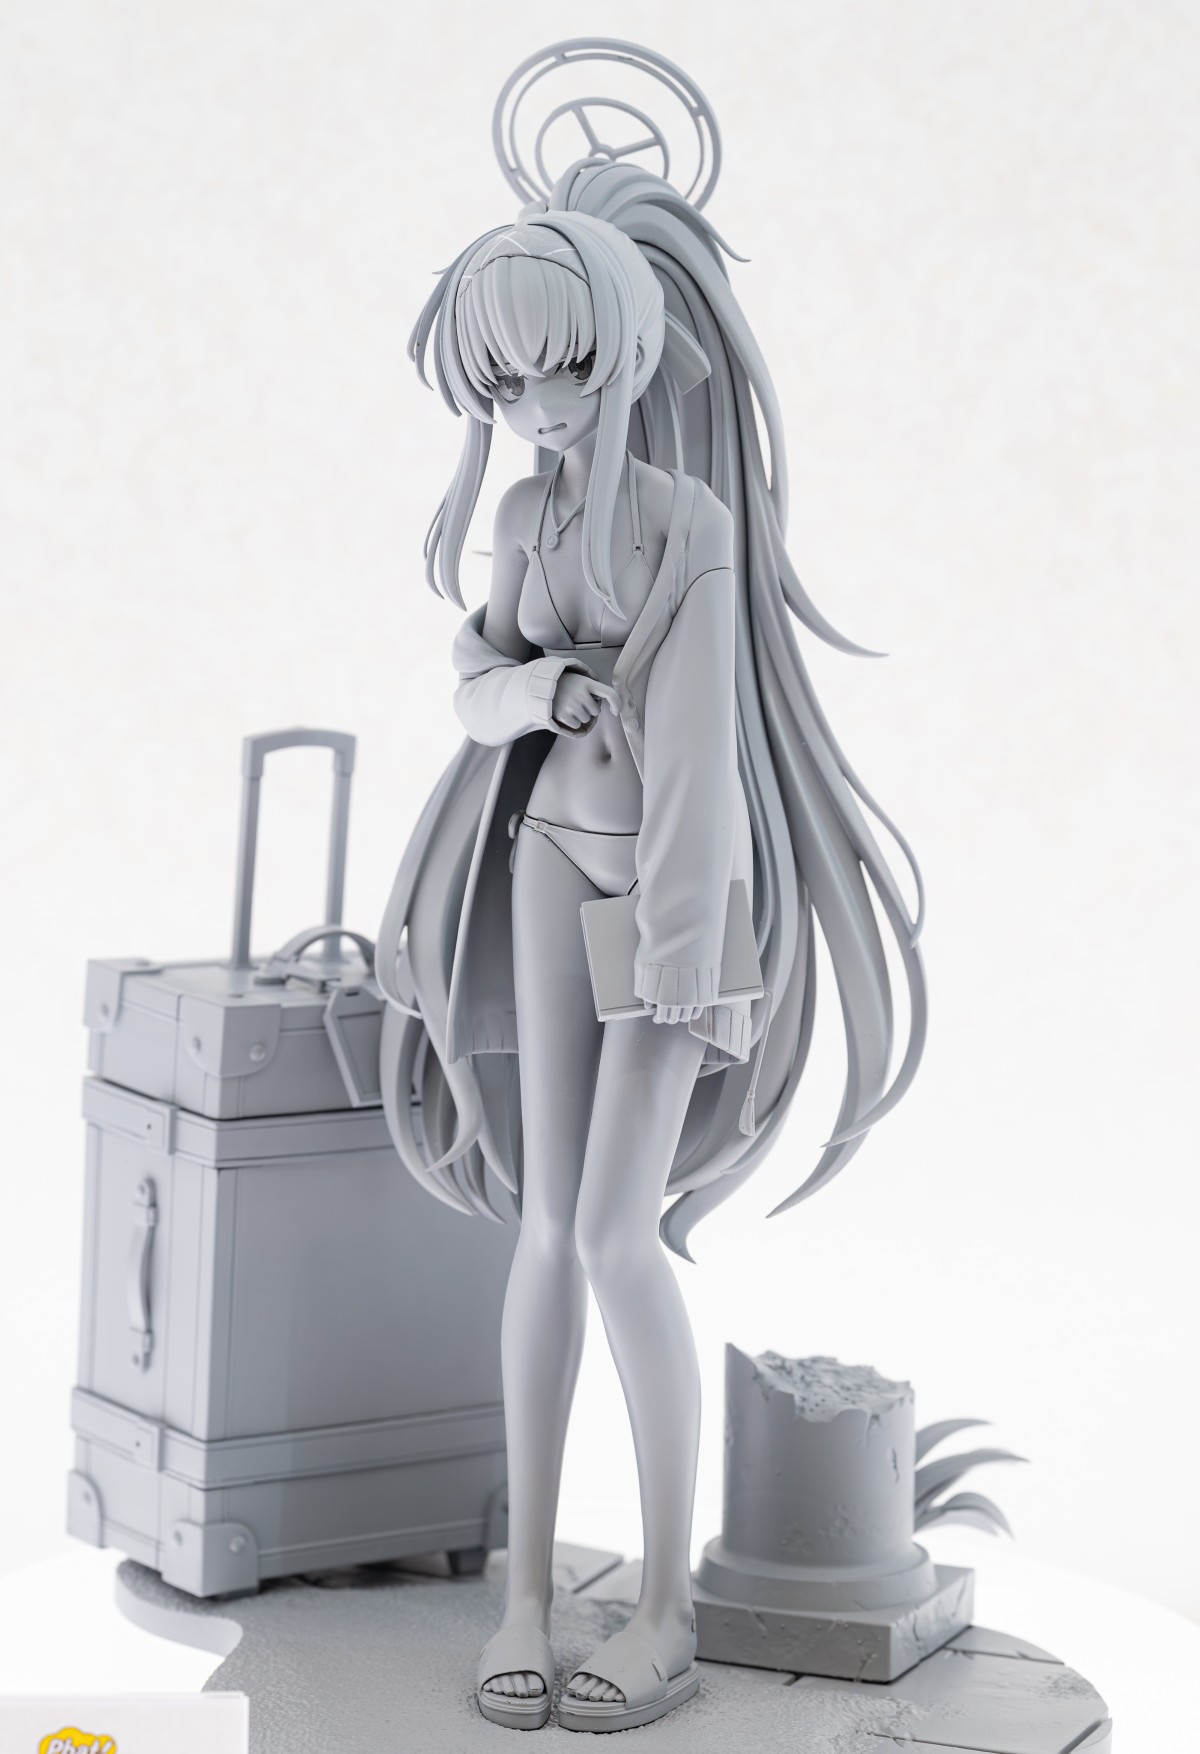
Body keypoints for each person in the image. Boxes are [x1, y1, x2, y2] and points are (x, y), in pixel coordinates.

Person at [375, 154, 925, 1733]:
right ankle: (528, 1597)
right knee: (545, 1224)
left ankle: (668, 1604)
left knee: (621, 1234)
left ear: (617, 350)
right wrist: (535, 692)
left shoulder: (689, 523)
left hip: (671, 899)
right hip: (548, 863)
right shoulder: (522, 517)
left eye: (556, 369)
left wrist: (694, 955)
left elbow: (701, 757)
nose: (536, 408)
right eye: (504, 384)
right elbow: (474, 681)